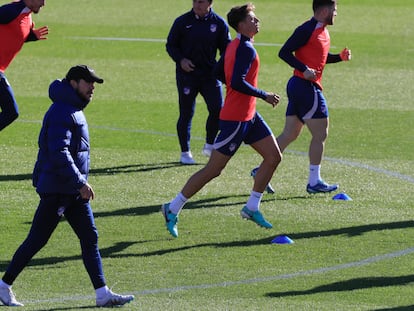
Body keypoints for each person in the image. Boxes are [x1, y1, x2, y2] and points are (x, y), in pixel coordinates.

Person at [0, 65, 134, 308]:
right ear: (73, 83)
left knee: (89, 236)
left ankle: (102, 294)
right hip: (59, 190)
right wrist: (80, 182)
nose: (92, 87)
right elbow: (59, 152)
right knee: (37, 239)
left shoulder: (71, 108)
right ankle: (3, 286)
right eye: (88, 82)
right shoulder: (62, 111)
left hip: (69, 190)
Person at [161, 3, 282, 238]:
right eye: (253, 19)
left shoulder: (235, 45)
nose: (257, 22)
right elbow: (236, 81)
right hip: (236, 119)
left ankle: (252, 207)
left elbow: (218, 73)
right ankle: (172, 208)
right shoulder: (244, 48)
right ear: (241, 25)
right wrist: (263, 95)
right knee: (213, 170)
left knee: (273, 156)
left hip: (249, 115)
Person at [252, 0, 351, 194]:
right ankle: (314, 182)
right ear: (324, 11)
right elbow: (284, 52)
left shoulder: (321, 29)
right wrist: (304, 69)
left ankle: (260, 170)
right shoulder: (307, 29)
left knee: (290, 134)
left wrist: (338, 57)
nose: (336, 13)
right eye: (334, 10)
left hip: (300, 86)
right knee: (320, 133)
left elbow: (320, 58)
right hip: (306, 87)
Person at [166, 0, 231, 164]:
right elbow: (171, 45)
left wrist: (222, 70)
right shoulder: (182, 22)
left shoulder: (218, 23)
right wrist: (181, 60)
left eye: (201, 1)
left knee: (217, 110)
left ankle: (209, 143)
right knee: (186, 113)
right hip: (187, 76)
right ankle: (185, 152)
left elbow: (227, 50)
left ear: (210, 3)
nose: (197, 4)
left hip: (210, 76)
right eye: (195, 1)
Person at [0, 0, 49, 132]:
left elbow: (14, 34)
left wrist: (31, 36)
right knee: (11, 111)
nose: (43, 4)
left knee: (11, 112)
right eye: (41, 0)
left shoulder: (28, 17)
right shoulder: (12, 11)